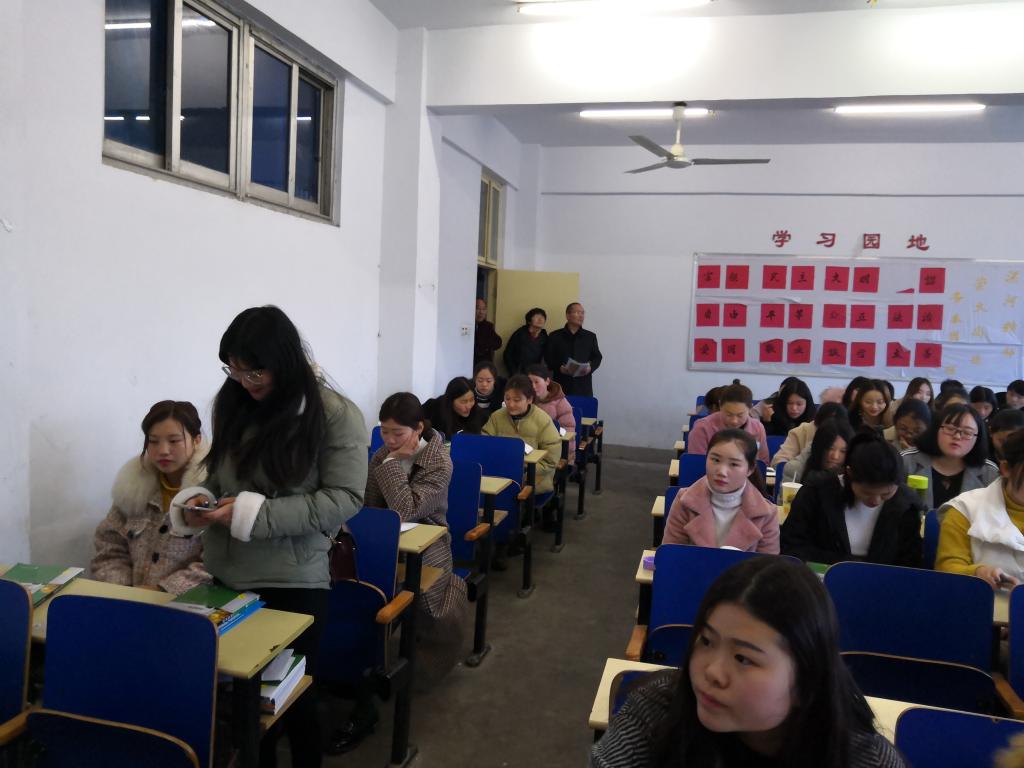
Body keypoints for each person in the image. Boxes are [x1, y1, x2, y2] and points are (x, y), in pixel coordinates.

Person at [173, 306, 367, 768]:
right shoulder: (235, 402)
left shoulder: (333, 415)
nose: (244, 382)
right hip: (227, 574)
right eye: (233, 370)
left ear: (284, 360)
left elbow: (344, 498)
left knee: (292, 702)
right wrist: (202, 500)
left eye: (254, 371)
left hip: (294, 581)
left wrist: (251, 515)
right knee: (243, 706)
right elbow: (221, 477)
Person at [591, 557, 905, 768]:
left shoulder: (864, 759)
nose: (713, 672)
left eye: (743, 658)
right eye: (706, 641)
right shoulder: (658, 711)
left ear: (806, 680)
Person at [91, 400, 211, 595]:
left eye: (174, 441)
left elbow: (215, 563)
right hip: (128, 602)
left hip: (187, 605)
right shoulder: (131, 489)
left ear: (196, 440)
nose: (163, 450)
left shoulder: (210, 493)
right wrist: (123, 593)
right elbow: (109, 548)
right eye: (153, 441)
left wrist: (160, 591)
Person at [781, 431, 924, 567]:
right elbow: (791, 545)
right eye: (867, 493)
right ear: (849, 473)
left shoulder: (907, 505)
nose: (875, 501)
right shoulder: (817, 491)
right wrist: (844, 564)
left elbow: (910, 562)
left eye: (886, 494)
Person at [662, 430, 779, 553]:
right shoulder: (684, 501)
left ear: (750, 469)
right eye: (715, 460)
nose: (722, 472)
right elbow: (671, 555)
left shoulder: (767, 514)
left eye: (733, 464)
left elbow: (768, 563)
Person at [936, 430, 1024, 588]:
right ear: (1006, 468)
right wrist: (977, 573)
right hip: (982, 599)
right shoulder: (965, 509)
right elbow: (946, 569)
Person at [901, 403, 1000, 512]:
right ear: (936, 429)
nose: (957, 436)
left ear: (978, 438)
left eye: (967, 433)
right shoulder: (906, 461)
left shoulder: (989, 473)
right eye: (950, 429)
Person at [482, 374, 561, 495]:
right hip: (500, 475)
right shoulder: (497, 417)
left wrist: (523, 472)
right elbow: (484, 444)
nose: (511, 404)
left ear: (529, 399)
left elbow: (550, 460)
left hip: (533, 479)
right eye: (507, 399)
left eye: (517, 400)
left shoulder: (543, 420)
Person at [688, 384, 769, 464]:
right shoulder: (703, 428)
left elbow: (763, 462)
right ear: (720, 405)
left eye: (740, 415)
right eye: (728, 414)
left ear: (750, 408)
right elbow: (697, 463)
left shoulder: (757, 428)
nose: (734, 421)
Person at [544, 302, 602, 397]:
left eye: (582, 313)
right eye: (577, 312)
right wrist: (559, 368)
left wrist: (590, 368)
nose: (581, 316)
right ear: (568, 315)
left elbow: (597, 357)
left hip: (583, 385)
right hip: (560, 383)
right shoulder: (555, 336)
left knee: (583, 406)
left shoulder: (590, 336)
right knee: (560, 406)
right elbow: (548, 357)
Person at [771, 402, 847, 469]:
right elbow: (779, 462)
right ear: (816, 425)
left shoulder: (849, 436)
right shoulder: (802, 432)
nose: (835, 456)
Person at [784, 420, 855, 486]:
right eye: (830, 448)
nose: (835, 456)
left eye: (843, 451)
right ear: (819, 447)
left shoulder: (854, 476)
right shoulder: (795, 470)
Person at [527, 363, 576, 451]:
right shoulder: (526, 402)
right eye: (530, 382)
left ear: (547, 381)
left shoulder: (560, 402)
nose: (533, 386)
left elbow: (568, 432)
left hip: (555, 450)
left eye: (536, 382)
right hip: (532, 449)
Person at [422, 376, 487, 439]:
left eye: (471, 400)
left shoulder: (480, 415)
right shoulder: (434, 407)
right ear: (451, 401)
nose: (469, 406)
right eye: (463, 402)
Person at [503, 307, 548, 375]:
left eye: (542, 317)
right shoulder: (519, 334)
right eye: (537, 316)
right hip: (519, 373)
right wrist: (514, 372)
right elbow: (507, 354)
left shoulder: (544, 336)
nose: (540, 319)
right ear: (529, 321)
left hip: (536, 373)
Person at [473, 298, 501, 364]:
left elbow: (498, 342)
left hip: (483, 363)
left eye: (483, 309)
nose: (481, 312)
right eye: (477, 308)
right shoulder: (467, 325)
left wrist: (485, 346)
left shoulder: (488, 326)